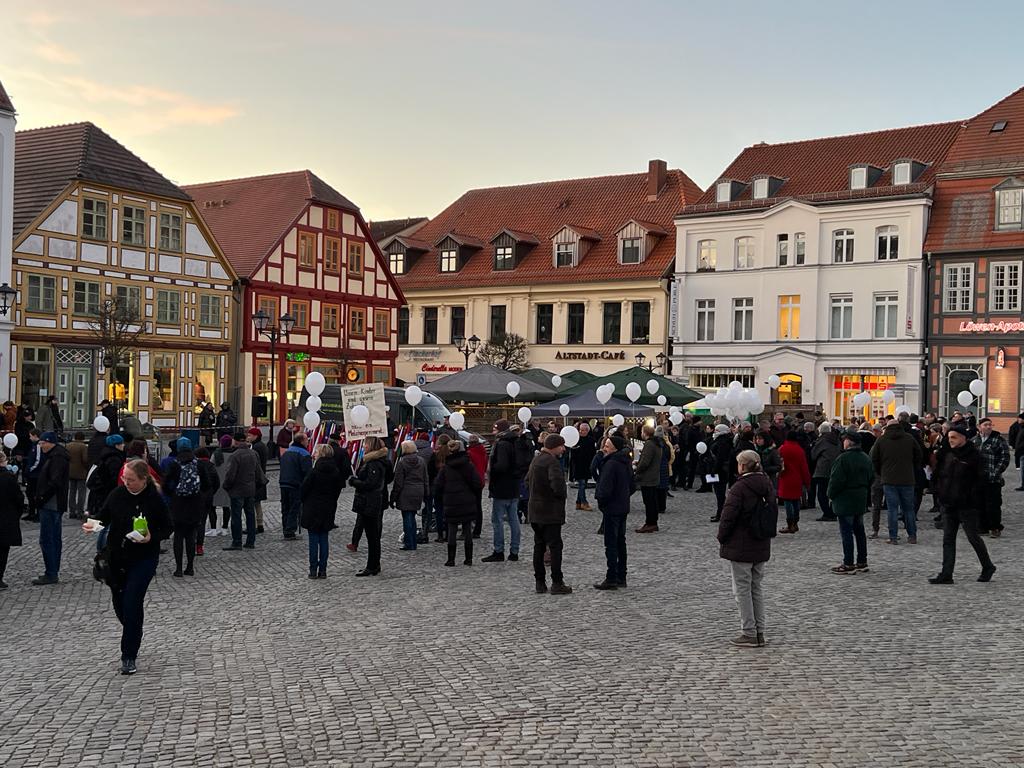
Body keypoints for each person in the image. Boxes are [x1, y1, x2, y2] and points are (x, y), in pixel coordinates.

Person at [91, 459, 171, 675]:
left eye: (131, 480)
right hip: (117, 557)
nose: (127, 482)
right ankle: (133, 628)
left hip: (144, 557)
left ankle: (128, 656)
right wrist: (92, 524)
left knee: (132, 600)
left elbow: (167, 527)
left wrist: (152, 537)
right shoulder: (117, 495)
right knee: (120, 604)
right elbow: (103, 517)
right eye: (125, 479)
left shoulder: (154, 499)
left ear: (144, 479)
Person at [717, 449, 777, 648]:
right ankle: (759, 631)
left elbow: (728, 516)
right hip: (761, 542)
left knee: (742, 590)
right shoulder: (767, 484)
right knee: (756, 588)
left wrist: (722, 537)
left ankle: (748, 631)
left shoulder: (740, 487)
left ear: (742, 466)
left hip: (741, 543)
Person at [929, 424, 996, 584]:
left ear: (963, 438)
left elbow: (980, 481)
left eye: (954, 437)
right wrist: (938, 491)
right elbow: (939, 474)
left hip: (967, 504)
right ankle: (946, 574)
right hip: (948, 502)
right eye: (949, 437)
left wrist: (971, 497)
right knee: (948, 539)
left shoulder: (974, 456)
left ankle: (987, 566)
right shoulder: (946, 453)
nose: (950, 440)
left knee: (973, 537)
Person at [526, 433, 572, 595]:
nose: (564, 449)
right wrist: (559, 497)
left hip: (535, 511)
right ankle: (557, 582)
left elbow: (527, 481)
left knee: (538, 546)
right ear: (554, 446)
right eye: (561, 446)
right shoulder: (552, 462)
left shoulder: (536, 460)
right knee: (555, 547)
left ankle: (540, 582)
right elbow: (558, 486)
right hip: (550, 511)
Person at [826, 432, 874, 574]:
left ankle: (848, 563)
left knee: (846, 531)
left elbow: (836, 480)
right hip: (860, 497)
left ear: (849, 442)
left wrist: (830, 494)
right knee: (859, 530)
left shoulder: (843, 459)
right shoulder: (865, 458)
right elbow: (871, 476)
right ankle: (862, 561)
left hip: (845, 498)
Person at [870, 419, 923, 545]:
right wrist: (912, 468)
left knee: (892, 509)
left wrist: (881, 471)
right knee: (908, 509)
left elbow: (874, 458)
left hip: (889, 479)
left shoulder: (881, 440)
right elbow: (919, 455)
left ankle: (893, 537)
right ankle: (912, 536)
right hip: (907, 478)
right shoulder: (909, 438)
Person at [163, 437, 209, 577]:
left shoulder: (174, 464)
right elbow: (207, 484)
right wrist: (199, 493)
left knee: (178, 536)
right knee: (191, 535)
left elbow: (165, 484)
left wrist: (172, 493)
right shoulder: (199, 464)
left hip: (178, 503)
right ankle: (190, 567)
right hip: (195, 503)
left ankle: (178, 568)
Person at [434, 439, 482, 567]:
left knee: (452, 529)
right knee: (467, 529)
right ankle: (468, 558)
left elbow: (438, 486)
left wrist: (442, 496)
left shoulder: (446, 468)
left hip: (451, 501)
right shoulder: (469, 466)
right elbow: (478, 483)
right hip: (467, 500)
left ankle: (451, 559)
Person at [482, 420, 525, 563]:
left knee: (497, 520)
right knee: (514, 520)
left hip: (502, 487)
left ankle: (499, 550)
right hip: (514, 486)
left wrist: (491, 471)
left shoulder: (501, 444)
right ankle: (514, 551)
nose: (493, 432)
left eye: (494, 429)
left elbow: (501, 466)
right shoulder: (517, 442)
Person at [593, 434, 632, 590]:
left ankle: (612, 578)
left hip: (612, 508)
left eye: (607, 446)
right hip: (622, 506)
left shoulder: (611, 464)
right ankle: (621, 576)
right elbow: (632, 485)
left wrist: (602, 502)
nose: (604, 448)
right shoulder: (625, 462)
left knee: (611, 544)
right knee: (620, 542)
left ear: (614, 448)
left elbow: (604, 489)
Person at [32, 432, 70, 585]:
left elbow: (55, 482)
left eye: (42, 443)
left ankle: (51, 572)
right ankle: (52, 571)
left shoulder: (57, 458)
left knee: (48, 539)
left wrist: (42, 497)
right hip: (52, 503)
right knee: (53, 538)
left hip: (51, 504)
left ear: (50, 443)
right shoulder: (56, 456)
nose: (41, 446)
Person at [301, 444, 344, 579]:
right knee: (324, 539)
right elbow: (338, 490)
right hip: (328, 507)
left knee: (313, 540)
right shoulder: (335, 472)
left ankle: (313, 569)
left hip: (312, 508)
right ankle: (323, 569)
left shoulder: (314, 472)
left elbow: (304, 489)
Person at [349, 437, 390, 577]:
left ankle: (372, 566)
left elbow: (370, 484)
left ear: (371, 446)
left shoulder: (374, 463)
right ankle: (374, 564)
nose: (363, 446)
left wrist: (354, 482)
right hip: (371, 501)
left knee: (372, 536)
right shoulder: (374, 461)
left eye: (366, 444)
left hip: (370, 502)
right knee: (372, 535)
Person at [221, 431, 265, 551]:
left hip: (237, 490)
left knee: (236, 517)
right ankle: (251, 541)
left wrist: (226, 486)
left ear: (235, 441)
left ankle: (237, 542)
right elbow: (258, 472)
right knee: (250, 516)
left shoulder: (235, 455)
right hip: (250, 489)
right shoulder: (253, 453)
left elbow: (230, 475)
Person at [972, 417, 1010, 537]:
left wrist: (995, 472)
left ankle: (995, 527)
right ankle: (982, 527)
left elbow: (1005, 458)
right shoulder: (974, 441)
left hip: (993, 478)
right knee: (979, 503)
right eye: (985, 425)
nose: (988, 427)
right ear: (979, 427)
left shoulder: (998, 440)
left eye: (990, 425)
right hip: (978, 478)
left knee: (993, 504)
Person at [392, 441, 428, 551]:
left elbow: (398, 482)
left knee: (407, 518)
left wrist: (393, 497)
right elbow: (426, 478)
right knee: (412, 517)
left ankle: (409, 542)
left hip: (406, 491)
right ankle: (413, 542)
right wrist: (426, 493)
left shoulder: (402, 463)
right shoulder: (421, 461)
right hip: (418, 490)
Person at [279, 432, 312, 540]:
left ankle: (286, 529)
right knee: (294, 507)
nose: (308, 441)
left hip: (283, 483)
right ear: (302, 441)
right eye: (307, 440)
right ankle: (290, 530)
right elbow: (307, 473)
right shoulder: (304, 454)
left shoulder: (286, 452)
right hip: (296, 484)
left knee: (285, 507)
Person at [0, 451, 25, 588]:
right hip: (6, 518)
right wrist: (17, 513)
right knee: (3, 550)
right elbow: (19, 498)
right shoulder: (8, 477)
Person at [777, 431, 810, 534]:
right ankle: (795, 522)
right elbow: (804, 467)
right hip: (797, 478)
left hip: (785, 477)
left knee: (787, 502)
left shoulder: (782, 449)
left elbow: (779, 464)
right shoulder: (800, 450)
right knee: (796, 501)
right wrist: (807, 481)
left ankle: (789, 524)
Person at [634, 425, 663, 533]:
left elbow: (645, 462)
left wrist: (638, 469)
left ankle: (650, 523)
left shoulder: (649, 444)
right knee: (652, 501)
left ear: (645, 433)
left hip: (647, 477)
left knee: (649, 502)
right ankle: (652, 522)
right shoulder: (657, 444)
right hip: (653, 476)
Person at [88, 434, 126, 518]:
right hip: (106, 492)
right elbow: (113, 477)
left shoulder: (106, 453)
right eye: (121, 443)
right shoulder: (114, 458)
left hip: (100, 491)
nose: (124, 445)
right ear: (116, 445)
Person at [810, 422, 841, 521]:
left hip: (823, 470)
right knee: (833, 492)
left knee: (822, 493)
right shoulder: (837, 440)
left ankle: (827, 513)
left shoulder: (822, 440)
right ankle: (833, 511)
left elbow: (813, 455)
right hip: (836, 468)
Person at [193, 446, 219, 557]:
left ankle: (192, 543)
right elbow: (217, 483)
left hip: (195, 497)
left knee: (193, 522)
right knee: (202, 522)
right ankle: (199, 547)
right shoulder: (212, 467)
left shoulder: (194, 466)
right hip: (207, 497)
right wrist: (211, 492)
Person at [706, 424, 733, 522]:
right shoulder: (721, 440)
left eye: (717, 430)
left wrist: (714, 470)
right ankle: (721, 513)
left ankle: (721, 514)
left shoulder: (723, 442)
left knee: (720, 494)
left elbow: (720, 458)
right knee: (719, 493)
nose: (714, 432)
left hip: (719, 471)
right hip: (718, 470)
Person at [210, 435, 235, 537]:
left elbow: (211, 468)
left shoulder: (216, 454)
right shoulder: (233, 454)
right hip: (228, 484)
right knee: (226, 507)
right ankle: (224, 528)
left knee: (212, 508)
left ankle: (213, 528)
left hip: (216, 484)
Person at [570, 422, 597, 511]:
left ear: (587, 431)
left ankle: (578, 502)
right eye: (581, 430)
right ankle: (584, 502)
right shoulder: (575, 440)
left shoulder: (591, 440)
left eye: (584, 430)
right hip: (578, 465)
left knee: (583, 484)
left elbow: (593, 453)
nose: (582, 432)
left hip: (587, 465)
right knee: (581, 484)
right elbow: (572, 454)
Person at [247, 428, 269, 534]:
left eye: (250, 435)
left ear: (256, 436)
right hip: (260, 477)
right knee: (257, 503)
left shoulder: (257, 447)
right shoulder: (260, 445)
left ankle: (255, 525)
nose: (248, 437)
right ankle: (259, 524)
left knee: (253, 503)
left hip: (256, 478)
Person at [466, 434, 488, 538]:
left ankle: (471, 528)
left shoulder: (470, 453)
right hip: (481, 480)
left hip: (473, 481)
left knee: (471, 505)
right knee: (478, 506)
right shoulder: (483, 451)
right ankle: (477, 529)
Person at [66, 431, 89, 520]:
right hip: (81, 472)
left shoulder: (68, 445)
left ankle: (72, 511)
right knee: (81, 492)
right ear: (83, 438)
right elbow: (85, 459)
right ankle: (80, 511)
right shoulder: (83, 447)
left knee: (72, 492)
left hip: (70, 472)